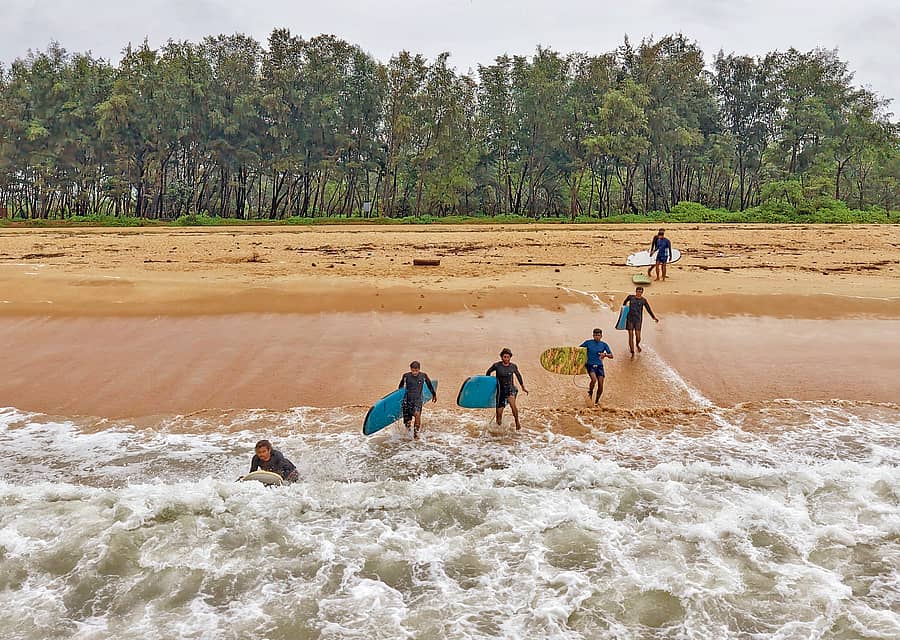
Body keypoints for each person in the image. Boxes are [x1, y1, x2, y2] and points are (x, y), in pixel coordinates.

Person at [486, 348, 529, 431]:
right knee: (499, 415)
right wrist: (489, 384)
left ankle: (517, 422)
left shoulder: (513, 366)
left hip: (510, 389)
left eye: (508, 357)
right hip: (500, 391)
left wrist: (523, 387)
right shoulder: (497, 365)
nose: (506, 359)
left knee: (513, 406)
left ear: (510, 357)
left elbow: (518, 376)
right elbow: (488, 372)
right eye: (504, 357)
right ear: (501, 357)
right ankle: (499, 431)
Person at [398, 360, 437, 439]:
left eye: (416, 370)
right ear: (410, 369)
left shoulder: (423, 375)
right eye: (413, 370)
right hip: (407, 400)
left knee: (417, 415)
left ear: (419, 369)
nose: (414, 372)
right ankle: (408, 435)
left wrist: (434, 394)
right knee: (408, 423)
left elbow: (429, 385)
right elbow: (400, 386)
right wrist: (398, 398)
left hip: (417, 400)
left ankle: (416, 434)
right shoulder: (406, 376)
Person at [579, 328, 614, 404]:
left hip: (599, 366)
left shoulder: (604, 345)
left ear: (601, 336)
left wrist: (605, 354)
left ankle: (596, 402)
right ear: (593, 335)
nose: (597, 337)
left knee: (601, 385)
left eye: (598, 335)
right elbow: (579, 350)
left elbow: (611, 356)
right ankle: (590, 391)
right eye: (595, 335)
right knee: (594, 380)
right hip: (589, 365)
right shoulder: (588, 343)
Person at [622, 286, 659, 356]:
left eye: (640, 292)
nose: (639, 293)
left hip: (638, 319)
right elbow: (624, 303)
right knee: (630, 334)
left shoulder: (643, 300)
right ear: (636, 291)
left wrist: (654, 317)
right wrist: (624, 312)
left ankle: (637, 344)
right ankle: (632, 351)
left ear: (642, 292)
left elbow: (648, 309)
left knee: (638, 336)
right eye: (638, 291)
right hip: (630, 318)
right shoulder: (630, 297)